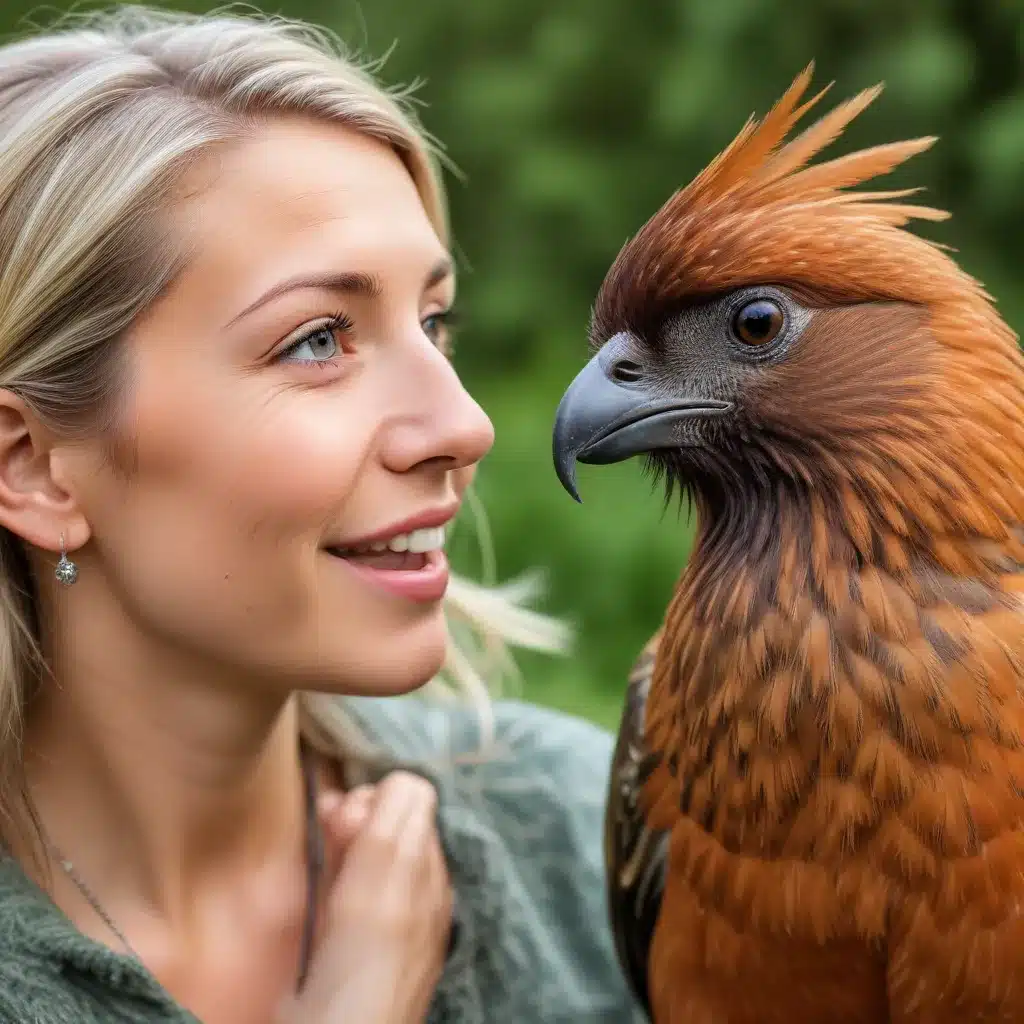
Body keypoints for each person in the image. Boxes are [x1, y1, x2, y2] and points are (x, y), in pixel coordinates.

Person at [0, 5, 646, 1023]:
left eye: (434, 323)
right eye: (317, 341)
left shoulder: (590, 842)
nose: (463, 424)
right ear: (34, 465)